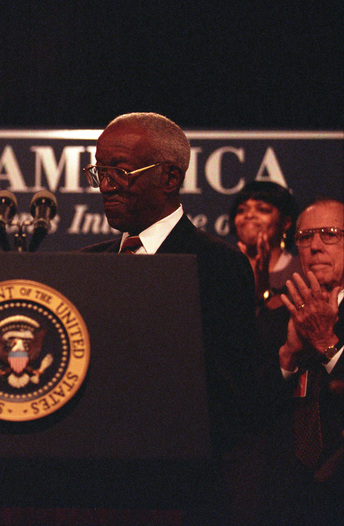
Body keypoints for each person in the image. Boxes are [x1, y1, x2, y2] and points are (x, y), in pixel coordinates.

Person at [80, 112, 260, 522]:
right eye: (100, 171)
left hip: (177, 493)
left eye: (121, 172)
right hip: (90, 488)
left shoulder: (216, 265)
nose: (106, 185)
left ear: (169, 178)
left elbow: (232, 400)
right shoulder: (86, 265)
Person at [263, 197, 344, 524]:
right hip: (280, 494)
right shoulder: (274, 317)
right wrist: (288, 357)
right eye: (305, 237)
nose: (315, 246)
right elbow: (249, 409)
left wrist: (326, 341)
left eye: (330, 234)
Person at [229, 180, 301, 308]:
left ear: (286, 223)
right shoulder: (223, 270)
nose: (249, 215)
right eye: (241, 210)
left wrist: (263, 291)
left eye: (263, 210)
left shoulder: (300, 271)